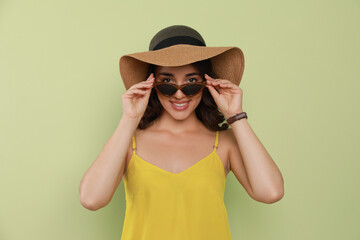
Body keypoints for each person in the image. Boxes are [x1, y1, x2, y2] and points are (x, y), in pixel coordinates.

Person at [79, 25, 284, 240]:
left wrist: (236, 115)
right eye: (167, 82)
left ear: (207, 83)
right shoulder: (129, 142)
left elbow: (270, 192)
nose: (179, 94)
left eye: (191, 82)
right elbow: (92, 199)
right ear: (151, 84)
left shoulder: (224, 143)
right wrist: (129, 119)